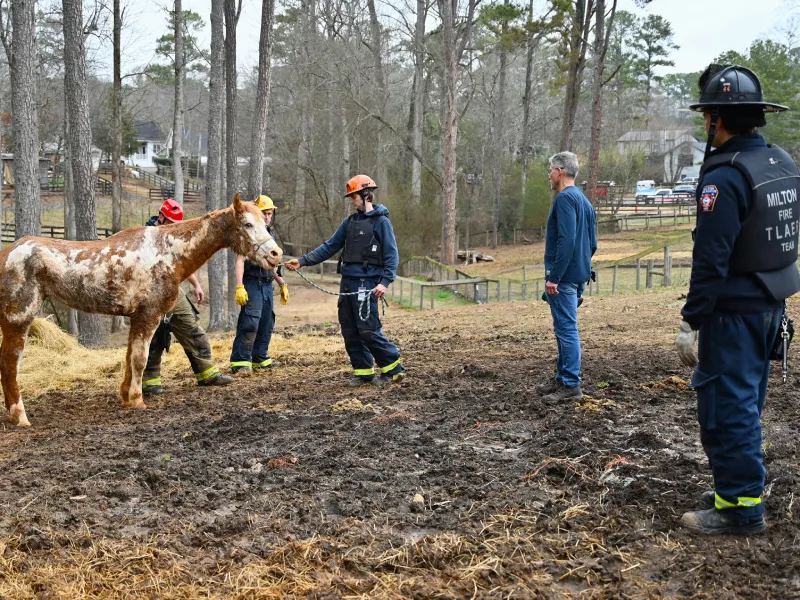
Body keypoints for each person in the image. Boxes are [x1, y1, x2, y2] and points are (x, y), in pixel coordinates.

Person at [675, 64, 800, 535]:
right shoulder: (781, 162)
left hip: (734, 315)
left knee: (727, 409)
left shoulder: (723, 178)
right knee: (745, 402)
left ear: (716, 118)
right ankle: (733, 488)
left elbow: (711, 259)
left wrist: (692, 320)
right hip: (772, 305)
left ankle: (742, 509)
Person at [284, 175, 405, 387]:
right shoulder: (349, 223)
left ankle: (393, 368)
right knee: (349, 329)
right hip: (347, 283)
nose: (352, 200)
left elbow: (392, 256)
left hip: (367, 285)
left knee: (368, 329)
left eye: (354, 196)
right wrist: (302, 261)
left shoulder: (382, 222)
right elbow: (329, 246)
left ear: (366, 195)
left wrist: (384, 282)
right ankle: (363, 371)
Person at [142, 199, 234, 395]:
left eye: (177, 225)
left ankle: (207, 374)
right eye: (171, 224)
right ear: (160, 218)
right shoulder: (144, 238)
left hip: (173, 290)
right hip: (151, 292)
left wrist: (196, 285)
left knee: (191, 327)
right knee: (156, 336)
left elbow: (181, 263)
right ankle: (150, 383)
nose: (174, 229)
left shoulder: (172, 236)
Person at [537, 152, 597, 403]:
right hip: (579, 275)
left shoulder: (564, 199)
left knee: (566, 329)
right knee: (564, 328)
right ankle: (562, 377)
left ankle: (571, 383)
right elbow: (592, 243)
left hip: (564, 278)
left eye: (550, 170)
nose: (549, 175)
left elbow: (567, 240)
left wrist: (555, 276)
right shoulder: (584, 201)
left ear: (559, 171)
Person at [230, 195, 289, 375]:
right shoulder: (251, 235)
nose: (268, 217)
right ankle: (241, 361)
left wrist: (282, 284)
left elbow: (273, 266)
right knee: (250, 321)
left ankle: (260, 357)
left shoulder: (269, 235)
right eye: (265, 213)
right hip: (252, 282)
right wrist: (239, 286)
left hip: (267, 284)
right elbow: (240, 261)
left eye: (270, 213)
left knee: (266, 321)